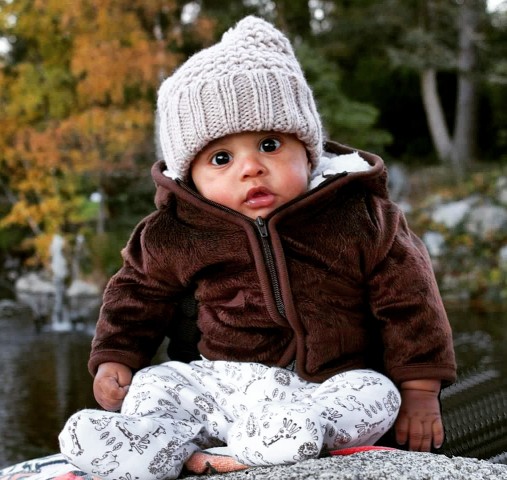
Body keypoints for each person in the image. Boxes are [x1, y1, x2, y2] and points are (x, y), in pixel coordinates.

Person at [59, 15, 456, 480]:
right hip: (223, 383)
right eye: (221, 158)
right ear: (191, 176)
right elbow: (135, 295)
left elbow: (411, 303)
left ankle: (279, 438)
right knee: (155, 384)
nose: (250, 168)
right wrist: (115, 357)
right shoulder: (176, 230)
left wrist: (420, 391)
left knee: (375, 393)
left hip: (322, 386)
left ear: (307, 149)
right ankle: (147, 441)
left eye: (269, 144)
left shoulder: (360, 216)